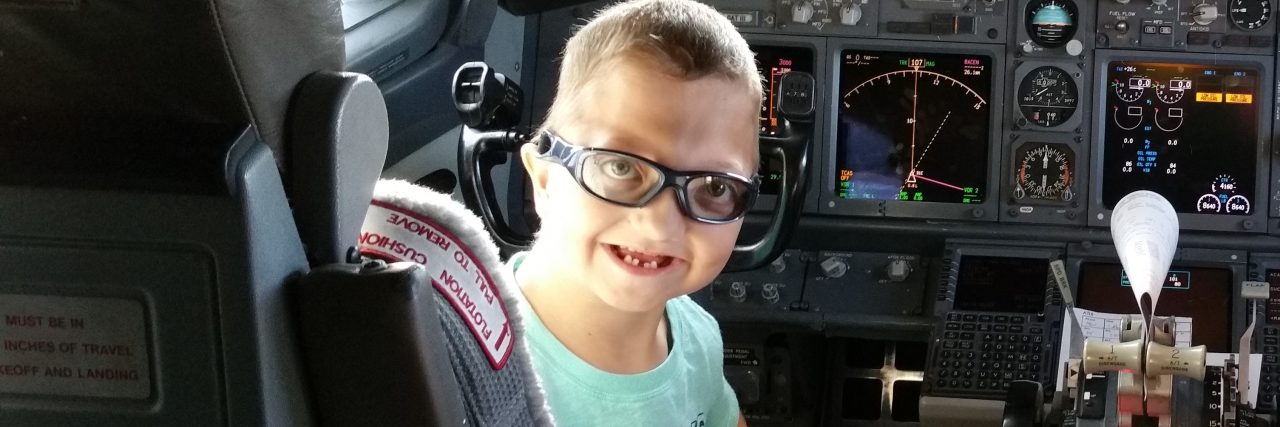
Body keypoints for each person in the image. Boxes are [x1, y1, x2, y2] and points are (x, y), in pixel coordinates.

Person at [509, 0, 762, 425]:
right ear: (544, 179)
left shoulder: (697, 336)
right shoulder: (474, 365)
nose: (660, 224)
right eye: (621, 167)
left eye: (715, 187)